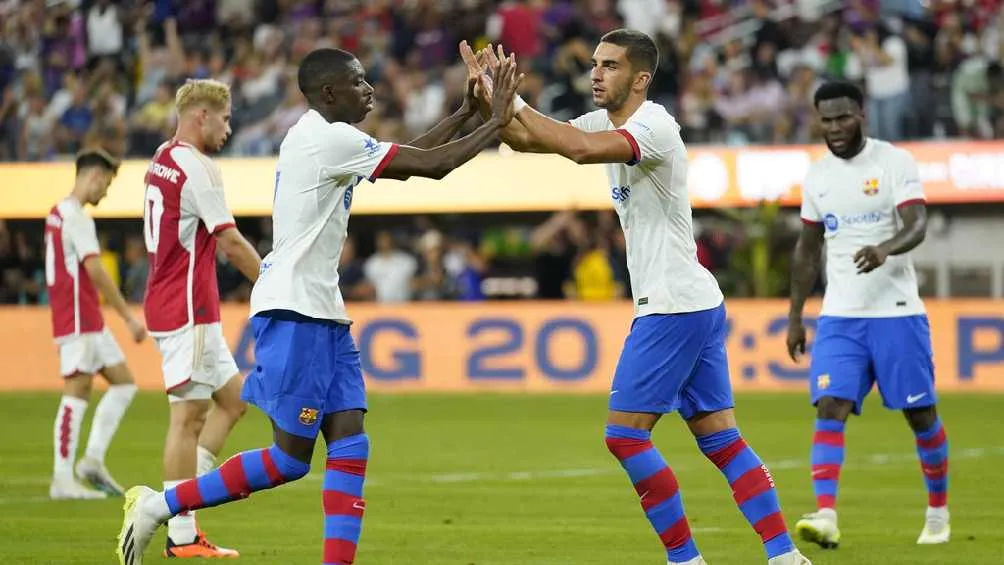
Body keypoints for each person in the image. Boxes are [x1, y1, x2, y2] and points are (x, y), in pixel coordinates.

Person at [115, 46, 523, 565]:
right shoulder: (324, 138)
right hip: (295, 312)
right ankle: (160, 505)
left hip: (323, 313)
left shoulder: (331, 138)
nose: (370, 88)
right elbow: (431, 167)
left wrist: (469, 113)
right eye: (358, 81)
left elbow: (412, 153)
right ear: (329, 93)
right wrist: (500, 121)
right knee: (289, 461)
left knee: (351, 440)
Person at [462, 32, 810, 565]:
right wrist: (492, 94)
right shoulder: (605, 122)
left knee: (625, 436)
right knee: (721, 440)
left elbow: (575, 150)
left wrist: (516, 101)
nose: (595, 74)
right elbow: (525, 140)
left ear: (640, 79)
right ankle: (785, 556)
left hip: (672, 304)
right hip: (692, 301)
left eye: (610, 66)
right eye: (595, 64)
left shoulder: (655, 125)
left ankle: (685, 559)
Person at [787, 81, 949, 548]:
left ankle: (938, 511)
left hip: (897, 312)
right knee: (829, 405)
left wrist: (885, 248)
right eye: (826, 119)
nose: (835, 128)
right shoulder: (817, 176)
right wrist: (796, 314)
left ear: (862, 115)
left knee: (921, 416)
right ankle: (826, 514)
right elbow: (806, 249)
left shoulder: (893, 162)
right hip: (840, 315)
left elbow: (917, 223)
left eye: (843, 117)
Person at [138, 79, 263, 558]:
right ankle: (180, 532)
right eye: (226, 118)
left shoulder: (161, 158)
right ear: (202, 117)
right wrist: (272, 285)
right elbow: (229, 242)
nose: (230, 129)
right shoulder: (197, 167)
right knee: (188, 417)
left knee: (233, 403)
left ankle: (179, 500)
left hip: (188, 305)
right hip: (184, 308)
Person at [45, 149, 145, 500]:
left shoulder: (57, 213)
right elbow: (96, 270)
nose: (105, 192)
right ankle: (62, 479)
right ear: (93, 176)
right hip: (78, 317)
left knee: (124, 384)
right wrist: (129, 317)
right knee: (77, 392)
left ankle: (92, 461)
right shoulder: (77, 218)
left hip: (81, 314)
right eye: (106, 184)